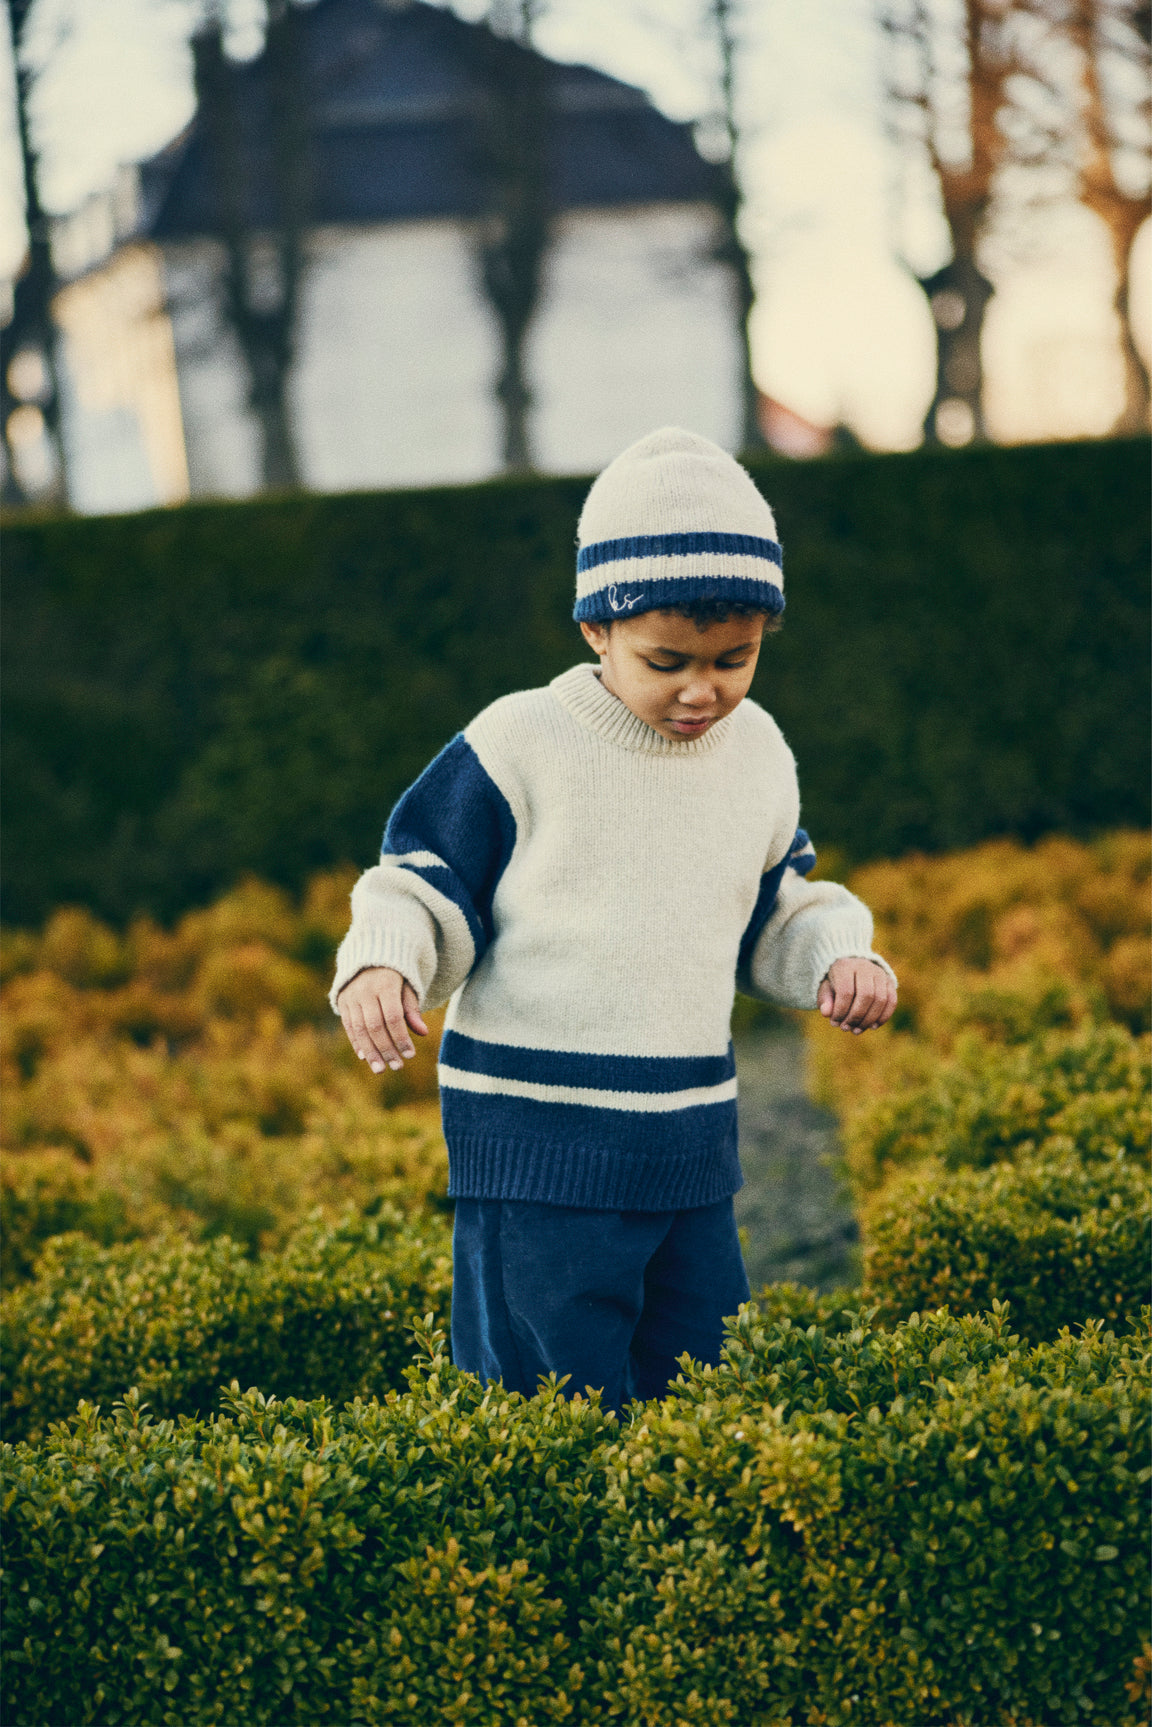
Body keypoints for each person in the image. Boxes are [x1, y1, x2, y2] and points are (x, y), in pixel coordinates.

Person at [332, 426, 897, 1414]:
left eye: (735, 658)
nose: (701, 688)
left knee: (697, 1393)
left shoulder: (757, 751)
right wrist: (383, 963)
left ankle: (674, 1563)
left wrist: (837, 955)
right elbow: (419, 874)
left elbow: (776, 903)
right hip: (538, 1150)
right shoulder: (521, 742)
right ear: (597, 628)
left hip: (689, 1153)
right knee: (546, 1404)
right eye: (666, 658)